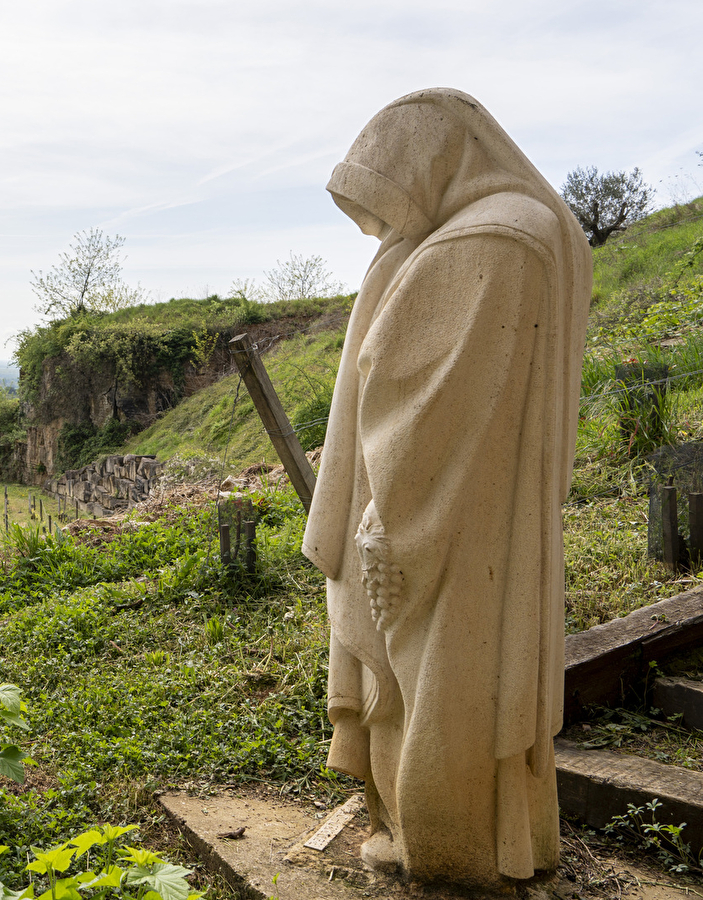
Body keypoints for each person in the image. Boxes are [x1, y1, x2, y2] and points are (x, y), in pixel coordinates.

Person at [301, 88, 591, 884]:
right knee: (448, 680)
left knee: (429, 682)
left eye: (386, 204)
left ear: (430, 162)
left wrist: (384, 515)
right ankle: (481, 837)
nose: (384, 229)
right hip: (476, 514)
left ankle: (439, 838)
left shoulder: (490, 240)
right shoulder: (521, 228)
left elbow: (424, 405)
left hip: (444, 518)